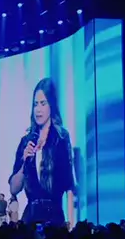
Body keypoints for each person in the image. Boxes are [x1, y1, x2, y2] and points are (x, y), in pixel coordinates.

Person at [9, 78, 76, 225]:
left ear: (51, 105)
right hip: (31, 217)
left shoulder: (61, 138)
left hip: (54, 217)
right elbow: (14, 189)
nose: (38, 109)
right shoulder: (26, 141)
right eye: (35, 104)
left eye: (43, 103)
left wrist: (71, 225)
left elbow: (69, 184)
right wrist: (24, 162)